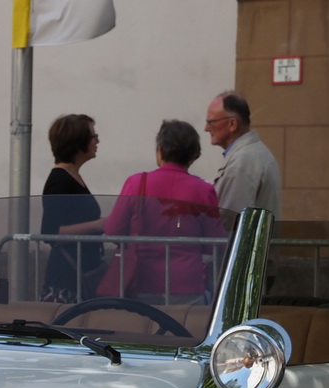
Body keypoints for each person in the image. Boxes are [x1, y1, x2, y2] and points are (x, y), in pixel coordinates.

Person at [102, 119, 224, 305]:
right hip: (188, 283)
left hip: (142, 280)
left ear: (160, 150)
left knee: (145, 332)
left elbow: (113, 230)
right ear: (193, 156)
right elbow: (214, 243)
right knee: (186, 332)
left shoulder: (137, 183)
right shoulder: (204, 190)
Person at [41, 113, 105, 302]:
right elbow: (51, 232)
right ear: (78, 142)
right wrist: (97, 225)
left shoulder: (72, 177)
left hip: (79, 273)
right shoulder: (60, 181)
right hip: (66, 280)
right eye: (93, 136)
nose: (97, 141)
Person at [206, 91, 281, 217]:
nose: (206, 128)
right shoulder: (254, 153)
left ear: (232, 124)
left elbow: (229, 222)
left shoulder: (242, 161)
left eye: (211, 122)